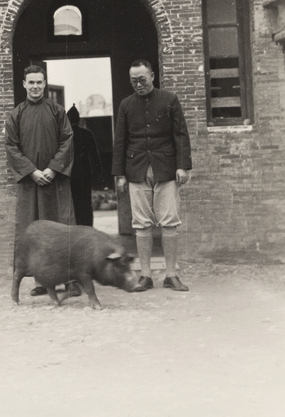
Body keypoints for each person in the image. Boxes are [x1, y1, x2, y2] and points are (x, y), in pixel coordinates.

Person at [111, 59, 192, 292]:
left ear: (152, 76)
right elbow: (121, 142)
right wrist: (120, 174)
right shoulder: (126, 105)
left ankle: (171, 275)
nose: (138, 84)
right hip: (136, 171)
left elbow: (180, 135)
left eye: (142, 79)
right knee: (141, 224)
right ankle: (145, 276)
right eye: (133, 81)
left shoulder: (169, 100)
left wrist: (182, 166)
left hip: (166, 170)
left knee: (169, 223)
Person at [5, 65, 79, 297]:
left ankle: (70, 280)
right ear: (24, 84)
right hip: (31, 183)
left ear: (45, 84)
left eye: (39, 82)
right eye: (31, 82)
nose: (35, 86)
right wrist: (32, 171)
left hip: (55, 183)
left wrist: (53, 169)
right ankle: (41, 281)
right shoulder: (16, 115)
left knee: (63, 229)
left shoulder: (57, 112)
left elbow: (67, 140)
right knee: (34, 230)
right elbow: (11, 147)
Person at [67, 104, 103, 227]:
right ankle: (87, 228)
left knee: (73, 203)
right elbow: (94, 156)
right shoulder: (87, 133)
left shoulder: (65, 135)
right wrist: (98, 174)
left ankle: (75, 228)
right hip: (85, 174)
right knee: (86, 203)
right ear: (79, 119)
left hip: (69, 174)